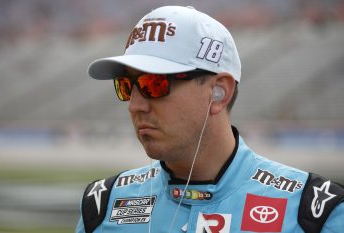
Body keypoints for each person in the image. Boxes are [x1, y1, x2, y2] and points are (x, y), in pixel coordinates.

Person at [75, 5, 344, 233]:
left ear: (219, 92)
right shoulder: (103, 205)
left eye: (154, 84)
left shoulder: (313, 212)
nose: (135, 105)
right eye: (125, 86)